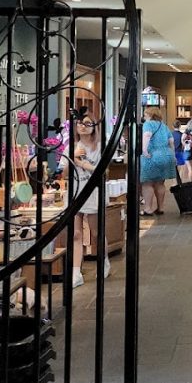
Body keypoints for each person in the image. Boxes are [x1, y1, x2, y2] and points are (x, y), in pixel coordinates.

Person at [70, 115, 109, 286]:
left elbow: (105, 172)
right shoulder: (72, 147)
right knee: (76, 234)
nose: (83, 126)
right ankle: (75, 272)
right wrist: (72, 158)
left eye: (87, 123)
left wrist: (84, 165)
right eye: (80, 123)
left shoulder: (101, 147)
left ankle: (104, 260)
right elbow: (62, 173)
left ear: (95, 127)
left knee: (96, 233)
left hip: (94, 193)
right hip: (75, 193)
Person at [140, 105, 177, 215]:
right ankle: (160, 208)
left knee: (148, 183)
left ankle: (148, 208)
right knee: (160, 183)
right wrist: (173, 155)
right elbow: (171, 142)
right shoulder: (164, 126)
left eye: (146, 114)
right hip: (166, 156)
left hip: (153, 156)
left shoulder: (148, 124)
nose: (144, 116)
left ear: (150, 115)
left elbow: (146, 136)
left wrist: (144, 151)